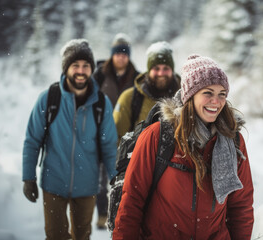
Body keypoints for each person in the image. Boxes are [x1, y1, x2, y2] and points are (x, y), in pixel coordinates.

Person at [113, 55, 254, 239]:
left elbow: (241, 206)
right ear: (190, 96)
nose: (216, 101)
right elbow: (132, 200)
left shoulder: (233, 140)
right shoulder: (158, 136)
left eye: (222, 94)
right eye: (208, 93)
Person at [22, 39, 118, 240]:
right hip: (53, 183)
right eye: (75, 66)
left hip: (87, 186)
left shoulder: (101, 103)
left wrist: (116, 180)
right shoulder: (49, 98)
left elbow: (109, 146)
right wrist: (28, 177)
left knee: (82, 236)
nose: (81, 71)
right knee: (55, 236)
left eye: (85, 66)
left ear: (91, 68)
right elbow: (32, 140)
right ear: (66, 68)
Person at [93, 33, 139, 229]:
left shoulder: (136, 77)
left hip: (127, 136)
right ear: (112, 55)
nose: (121, 57)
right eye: (118, 53)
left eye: (124, 54)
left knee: (124, 177)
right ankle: (103, 213)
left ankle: (120, 213)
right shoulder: (100, 75)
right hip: (101, 133)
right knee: (101, 178)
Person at [113, 41, 180, 142]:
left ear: (172, 70)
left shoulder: (184, 98)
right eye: (156, 68)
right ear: (148, 70)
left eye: (166, 68)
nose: (161, 73)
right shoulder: (129, 98)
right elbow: (116, 137)